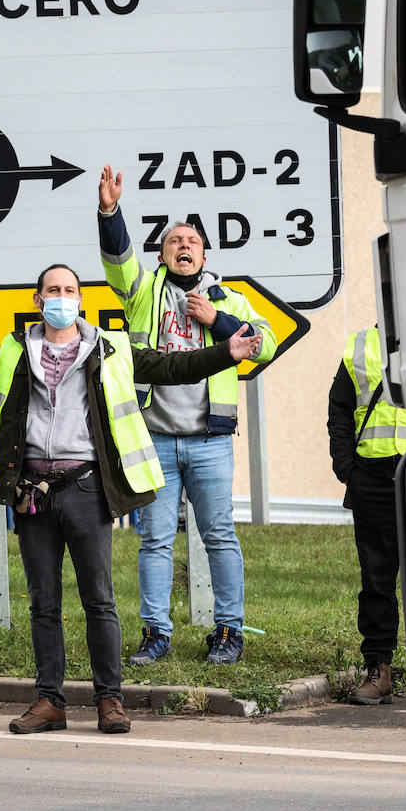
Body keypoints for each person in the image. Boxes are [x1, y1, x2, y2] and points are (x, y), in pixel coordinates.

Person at [0, 264, 262, 735]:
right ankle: (50, 702)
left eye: (69, 290)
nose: (60, 297)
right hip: (33, 494)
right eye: (52, 290)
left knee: (99, 601)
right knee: (43, 604)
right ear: (37, 299)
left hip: (87, 488)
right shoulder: (15, 350)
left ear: (80, 301)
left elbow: (173, 367)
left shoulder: (111, 347)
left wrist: (226, 353)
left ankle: (110, 700)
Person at [97, 166, 279, 667]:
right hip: (153, 438)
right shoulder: (141, 293)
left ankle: (228, 631)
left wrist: (216, 321)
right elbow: (118, 262)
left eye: (192, 240)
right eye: (174, 240)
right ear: (161, 255)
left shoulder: (231, 299)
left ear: (204, 255)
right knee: (153, 539)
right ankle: (156, 633)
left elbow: (266, 345)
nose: (183, 245)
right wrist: (110, 213)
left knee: (219, 535)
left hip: (210, 440)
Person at [327, 326, 406, 704]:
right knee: (377, 580)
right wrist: (346, 467)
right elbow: (339, 408)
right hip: (372, 476)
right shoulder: (359, 346)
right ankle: (379, 670)